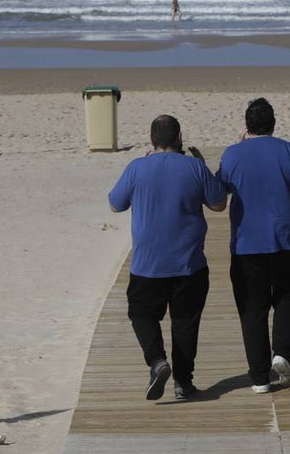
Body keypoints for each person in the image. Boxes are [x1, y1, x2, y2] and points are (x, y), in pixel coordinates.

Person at [216, 98, 290, 394]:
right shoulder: (289, 150)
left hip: (246, 246)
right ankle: (282, 354)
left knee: (252, 309)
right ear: (273, 124)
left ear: (247, 126)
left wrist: (238, 148)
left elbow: (219, 196)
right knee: (289, 297)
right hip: (286, 240)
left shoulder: (231, 155)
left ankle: (259, 378)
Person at [109, 115, 227, 401]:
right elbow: (219, 204)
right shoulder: (195, 167)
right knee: (185, 321)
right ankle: (183, 382)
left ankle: (157, 360)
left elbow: (115, 204)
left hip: (148, 265)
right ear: (179, 138)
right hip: (189, 264)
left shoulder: (137, 167)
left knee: (141, 313)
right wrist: (203, 167)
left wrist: (142, 168)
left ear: (152, 140)